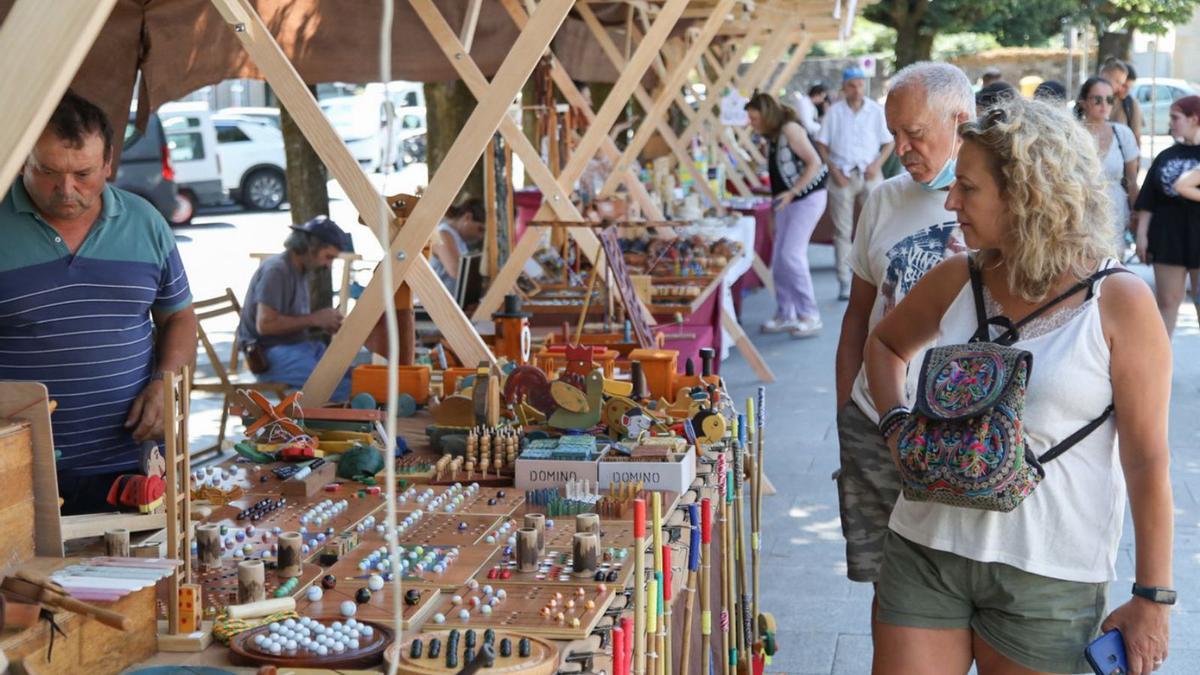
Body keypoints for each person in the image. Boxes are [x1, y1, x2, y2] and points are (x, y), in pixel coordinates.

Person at [865, 96, 1173, 675]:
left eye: (969, 188)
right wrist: (894, 427)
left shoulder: (1119, 301)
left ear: (1029, 193)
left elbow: (1147, 460)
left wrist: (1153, 598)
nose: (951, 200)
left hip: (1049, 573)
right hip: (925, 548)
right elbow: (883, 345)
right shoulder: (959, 275)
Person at [0, 91, 197, 514]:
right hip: (18, 468)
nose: (66, 190)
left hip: (134, 463)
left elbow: (178, 315)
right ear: (23, 161)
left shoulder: (146, 222)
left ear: (108, 162)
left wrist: (166, 385)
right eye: (48, 172)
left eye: (84, 174)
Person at [833, 61, 971, 634]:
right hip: (875, 423)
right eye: (893, 135)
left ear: (960, 121)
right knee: (888, 589)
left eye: (914, 133)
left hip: (962, 433)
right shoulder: (883, 200)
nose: (901, 148)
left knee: (958, 582)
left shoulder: (1007, 201)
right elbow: (858, 315)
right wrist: (848, 412)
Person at [237, 216, 360, 400]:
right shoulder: (276, 271)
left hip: (297, 347)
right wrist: (315, 319)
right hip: (270, 355)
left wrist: (321, 323)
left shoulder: (300, 270)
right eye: (328, 257)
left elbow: (290, 320)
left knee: (353, 374)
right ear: (311, 248)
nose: (328, 265)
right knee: (344, 387)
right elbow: (265, 325)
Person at [745, 93, 828, 337]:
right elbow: (777, 177)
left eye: (754, 117)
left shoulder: (791, 129)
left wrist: (792, 192)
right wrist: (777, 206)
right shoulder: (773, 136)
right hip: (786, 201)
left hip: (807, 198)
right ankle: (786, 312)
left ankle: (809, 314)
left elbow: (814, 162)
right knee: (779, 258)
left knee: (791, 255)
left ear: (766, 113)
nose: (752, 123)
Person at [815, 66, 895, 300]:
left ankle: (878, 277)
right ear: (844, 87)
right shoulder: (835, 112)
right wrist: (833, 169)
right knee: (842, 231)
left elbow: (888, 142)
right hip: (843, 175)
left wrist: (877, 164)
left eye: (861, 84)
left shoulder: (875, 110)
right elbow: (822, 143)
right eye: (852, 85)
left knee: (877, 226)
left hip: (870, 173)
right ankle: (844, 281)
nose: (857, 89)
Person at [1135, 95, 1200, 336]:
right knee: (1166, 303)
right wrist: (1141, 235)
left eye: (1175, 117)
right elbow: (1148, 198)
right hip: (1167, 236)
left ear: (1194, 119)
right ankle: (1161, 370)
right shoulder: (1166, 155)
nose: (1170, 123)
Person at [1076, 77, 1140, 248]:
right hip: (1080, 215)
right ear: (1083, 102)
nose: (1104, 104)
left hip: (1115, 213)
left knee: (1114, 266)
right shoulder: (1072, 135)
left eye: (1109, 99)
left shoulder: (1122, 133)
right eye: (1097, 99)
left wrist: (1136, 214)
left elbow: (1132, 180)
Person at [430, 198, 485, 297]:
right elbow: (456, 271)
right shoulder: (443, 233)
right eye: (480, 229)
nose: (481, 236)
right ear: (468, 217)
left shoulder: (459, 239)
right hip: (434, 307)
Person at [1102, 58, 1144, 148]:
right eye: (1124, 86)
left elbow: (1136, 137)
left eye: (1130, 88)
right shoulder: (1100, 99)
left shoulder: (1130, 104)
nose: (1127, 91)